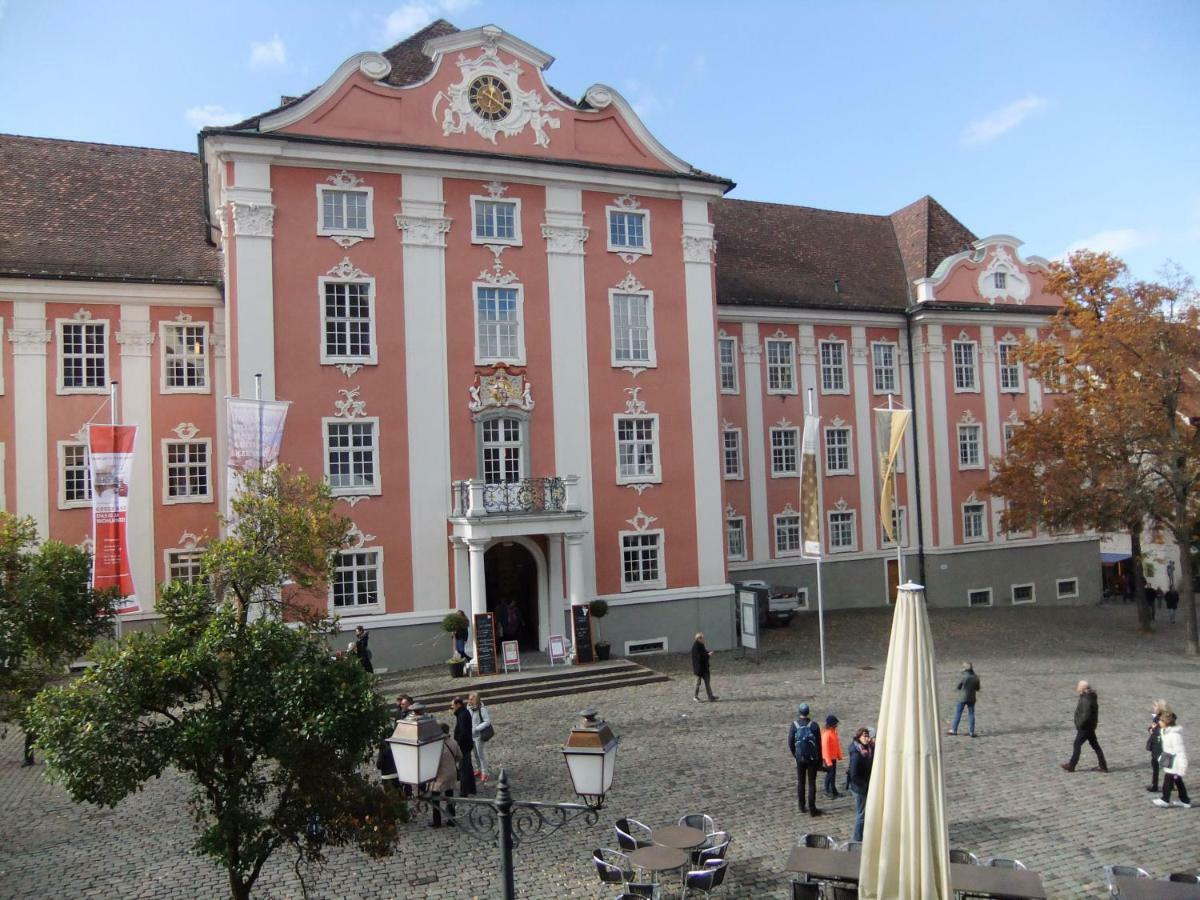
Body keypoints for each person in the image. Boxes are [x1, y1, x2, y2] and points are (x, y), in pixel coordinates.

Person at [1062, 680, 1108, 772]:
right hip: (1090, 726)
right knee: (1095, 745)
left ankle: (1072, 765)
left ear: (1081, 688)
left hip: (1085, 727)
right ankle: (1103, 766)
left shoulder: (1086, 699)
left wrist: (1079, 724)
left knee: (1077, 744)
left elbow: (1085, 715)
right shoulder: (1089, 696)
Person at [788, 703, 823, 817]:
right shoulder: (814, 725)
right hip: (812, 759)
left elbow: (790, 742)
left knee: (801, 782)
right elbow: (818, 744)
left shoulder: (794, 725)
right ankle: (812, 808)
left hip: (800, 758)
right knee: (812, 783)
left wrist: (796, 754)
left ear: (799, 712)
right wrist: (819, 759)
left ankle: (801, 806)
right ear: (808, 712)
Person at [1152, 711, 1190, 809]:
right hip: (1169, 760)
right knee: (1178, 781)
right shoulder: (1166, 731)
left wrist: (1182, 769)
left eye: (1161, 720)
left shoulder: (1174, 736)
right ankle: (1185, 800)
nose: (1159, 722)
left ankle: (1165, 799)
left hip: (1175, 763)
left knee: (1168, 780)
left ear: (1166, 722)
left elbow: (1181, 753)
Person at [430, 722, 461, 827]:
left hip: (440, 776)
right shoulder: (453, 742)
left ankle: (437, 821)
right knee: (450, 796)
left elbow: (434, 762)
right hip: (452, 773)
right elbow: (459, 756)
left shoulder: (437, 746)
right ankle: (451, 819)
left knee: (435, 797)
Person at [847, 726, 874, 842]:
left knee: (863, 813)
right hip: (859, 788)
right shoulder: (857, 755)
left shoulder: (868, 749)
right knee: (861, 814)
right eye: (864, 736)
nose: (867, 738)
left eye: (868, 736)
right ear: (858, 737)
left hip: (863, 786)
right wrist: (865, 786)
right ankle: (857, 839)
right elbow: (854, 775)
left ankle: (861, 835)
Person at [451, 696, 477, 797]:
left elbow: (463, 733)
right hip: (466, 745)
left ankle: (464, 791)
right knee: (468, 768)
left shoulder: (462, 715)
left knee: (463, 769)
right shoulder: (462, 713)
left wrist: (457, 745)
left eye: (453, 705)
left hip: (463, 746)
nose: (452, 707)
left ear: (458, 704)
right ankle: (471, 788)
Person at [948, 662, 981, 737]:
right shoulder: (976, 677)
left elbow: (958, 686)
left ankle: (954, 729)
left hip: (962, 697)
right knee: (971, 714)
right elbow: (977, 688)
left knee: (958, 713)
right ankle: (971, 731)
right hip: (972, 697)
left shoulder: (964, 676)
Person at [467, 691, 493, 783]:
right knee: (475, 754)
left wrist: (477, 728)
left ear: (476, 699)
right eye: (469, 698)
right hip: (471, 735)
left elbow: (487, 721)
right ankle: (479, 769)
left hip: (479, 735)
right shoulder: (469, 708)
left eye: (471, 699)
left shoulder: (481, 709)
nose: (469, 700)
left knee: (480, 754)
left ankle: (484, 772)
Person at [1147, 700, 1170, 793]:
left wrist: (1153, 730)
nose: (1153, 707)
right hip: (1157, 745)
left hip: (1162, 746)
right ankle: (1156, 784)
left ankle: (1163, 785)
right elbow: (1152, 727)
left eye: (1155, 706)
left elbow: (1163, 732)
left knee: (1166, 766)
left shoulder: (1165, 718)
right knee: (1156, 764)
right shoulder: (1157, 717)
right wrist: (1151, 729)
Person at [691, 632, 718, 702]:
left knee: (707, 682)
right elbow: (700, 657)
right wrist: (708, 655)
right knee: (698, 683)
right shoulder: (696, 647)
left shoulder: (701, 645)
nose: (704, 640)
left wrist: (707, 653)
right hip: (699, 669)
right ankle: (695, 696)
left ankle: (710, 696)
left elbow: (703, 653)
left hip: (704, 668)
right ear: (699, 639)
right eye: (702, 638)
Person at [822, 715, 844, 799]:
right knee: (830, 775)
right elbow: (825, 749)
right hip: (828, 759)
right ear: (832, 724)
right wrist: (828, 761)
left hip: (833, 758)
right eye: (835, 724)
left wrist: (839, 755)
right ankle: (827, 791)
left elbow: (836, 745)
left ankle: (833, 790)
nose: (837, 725)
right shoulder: (827, 734)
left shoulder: (833, 732)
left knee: (832, 775)